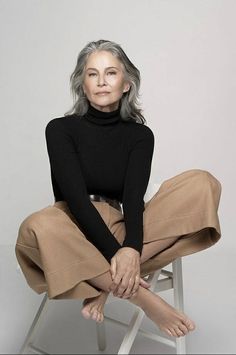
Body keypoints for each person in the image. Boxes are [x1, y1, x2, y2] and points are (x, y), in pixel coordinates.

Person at [15, 39, 222, 339]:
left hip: (120, 224)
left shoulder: (140, 136)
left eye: (111, 73)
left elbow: (133, 199)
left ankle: (103, 286)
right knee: (37, 225)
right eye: (92, 74)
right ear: (81, 84)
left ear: (126, 84)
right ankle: (143, 297)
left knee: (203, 183)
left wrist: (130, 248)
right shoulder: (60, 129)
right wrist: (119, 253)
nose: (101, 81)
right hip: (72, 227)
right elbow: (75, 201)